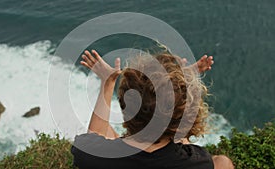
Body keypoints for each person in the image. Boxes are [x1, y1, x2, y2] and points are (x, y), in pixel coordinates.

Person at [71, 49, 234, 169]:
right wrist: (180, 87)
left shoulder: (90, 155)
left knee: (106, 129)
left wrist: (107, 83)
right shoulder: (199, 162)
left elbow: (93, 136)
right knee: (223, 162)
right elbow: (174, 132)